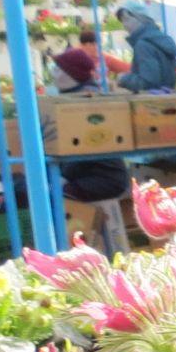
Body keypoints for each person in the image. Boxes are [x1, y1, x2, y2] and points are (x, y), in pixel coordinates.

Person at [47, 48, 129, 254]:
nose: (54, 75)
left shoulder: (82, 103)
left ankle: (75, 252)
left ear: (71, 75)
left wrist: (63, 177)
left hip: (104, 180)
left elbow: (84, 151)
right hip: (100, 176)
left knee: (53, 196)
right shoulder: (78, 98)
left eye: (58, 70)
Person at [112, 1, 176, 93]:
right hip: (169, 99)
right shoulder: (158, 39)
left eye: (126, 19)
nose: (124, 25)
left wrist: (123, 79)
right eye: (122, 21)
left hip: (153, 103)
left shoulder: (143, 45)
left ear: (140, 19)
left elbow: (149, 82)